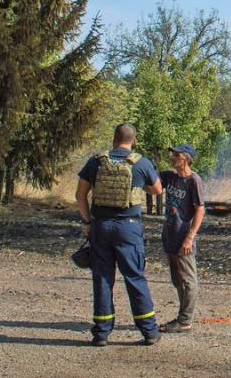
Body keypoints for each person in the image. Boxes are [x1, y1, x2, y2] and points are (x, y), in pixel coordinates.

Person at [75, 123, 162, 347]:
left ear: (114, 139)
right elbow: (157, 190)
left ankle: (101, 333)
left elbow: (80, 194)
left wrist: (87, 222)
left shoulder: (96, 162)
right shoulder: (141, 163)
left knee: (102, 279)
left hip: (101, 227)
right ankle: (149, 332)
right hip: (128, 228)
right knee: (134, 277)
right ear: (133, 141)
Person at [158, 143, 205, 333]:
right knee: (177, 279)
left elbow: (200, 209)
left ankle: (185, 320)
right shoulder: (169, 177)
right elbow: (150, 182)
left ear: (185, 158)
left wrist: (189, 237)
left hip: (184, 236)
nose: (172, 158)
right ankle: (181, 316)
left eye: (176, 155)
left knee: (188, 280)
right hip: (170, 234)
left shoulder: (194, 180)